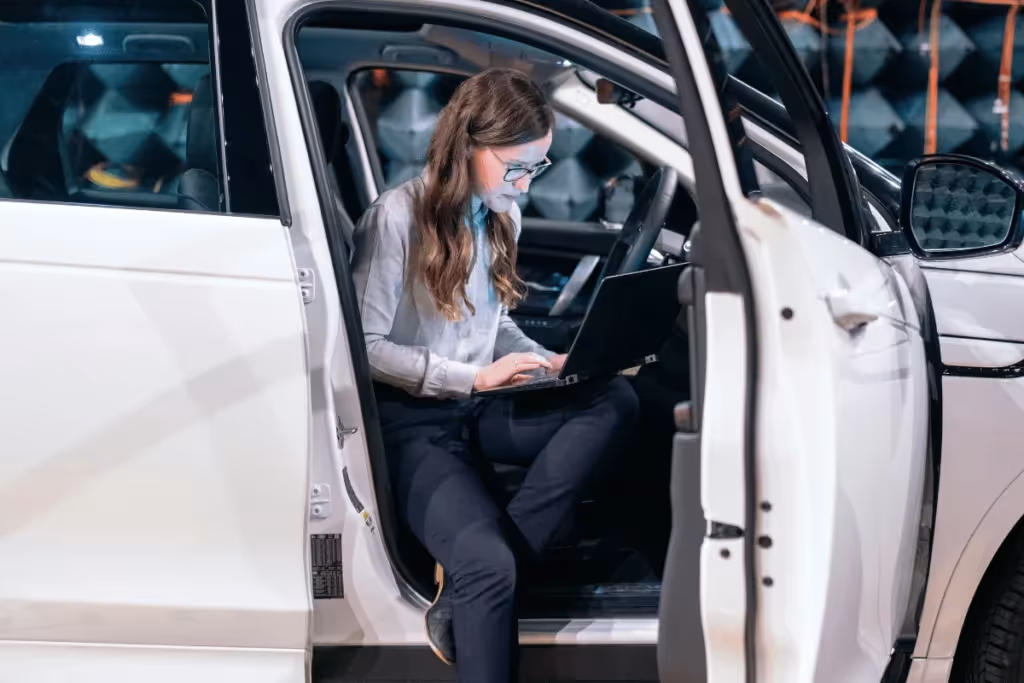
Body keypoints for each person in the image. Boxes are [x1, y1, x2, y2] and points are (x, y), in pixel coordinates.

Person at [350, 67, 639, 683]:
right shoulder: (395, 219)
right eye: (517, 168)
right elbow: (365, 349)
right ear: (467, 148)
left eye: (539, 168)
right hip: (413, 423)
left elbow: (493, 327)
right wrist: (472, 380)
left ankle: (465, 592)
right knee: (488, 564)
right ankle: (482, 576)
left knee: (612, 397)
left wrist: (541, 361)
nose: (527, 184)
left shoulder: (499, 214)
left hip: (479, 408)